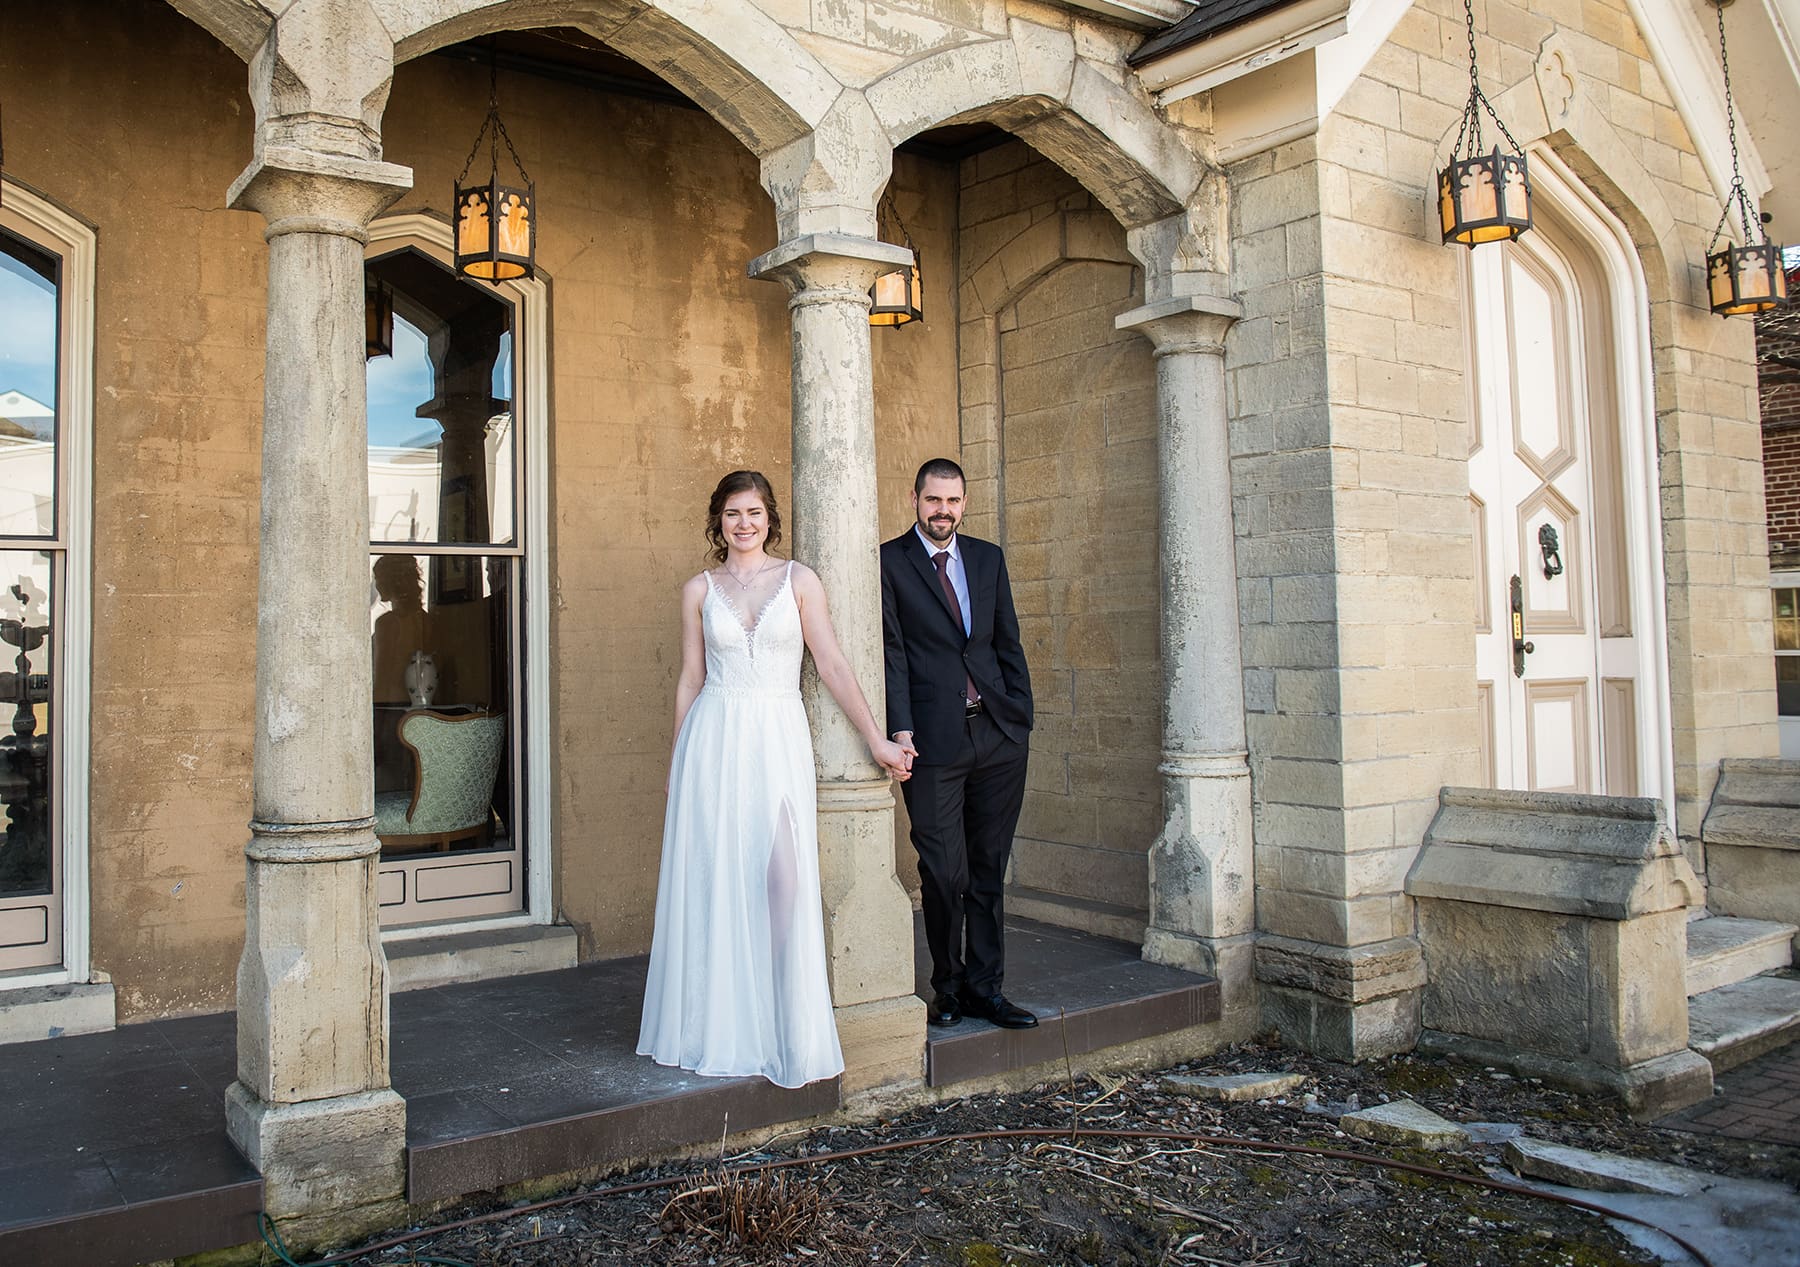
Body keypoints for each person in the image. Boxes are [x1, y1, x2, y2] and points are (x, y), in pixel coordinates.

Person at [638, 470, 913, 1088]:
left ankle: (784, 1023)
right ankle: (721, 1027)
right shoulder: (698, 590)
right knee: (718, 879)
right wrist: (677, 759)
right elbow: (690, 677)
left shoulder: (799, 581)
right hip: (714, 740)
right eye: (733, 513)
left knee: (783, 880)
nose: (744, 523)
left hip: (778, 738)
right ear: (719, 520)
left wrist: (876, 738)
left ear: (770, 519)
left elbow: (832, 662)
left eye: (755, 512)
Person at [880, 458, 1037, 1030]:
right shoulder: (888, 562)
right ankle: (946, 986)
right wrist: (901, 728)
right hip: (932, 742)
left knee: (988, 868)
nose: (942, 511)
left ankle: (985, 989)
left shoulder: (987, 558)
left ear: (964, 503)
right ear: (915, 500)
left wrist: (1019, 714)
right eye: (933, 500)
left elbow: (1006, 641)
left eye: (952, 501)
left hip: (997, 734)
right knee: (945, 872)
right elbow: (892, 651)